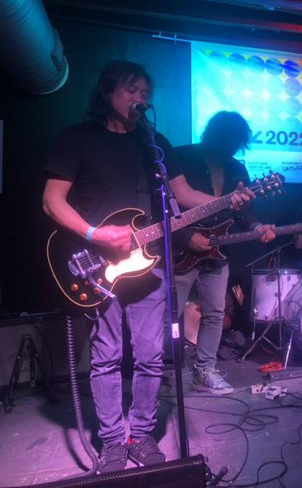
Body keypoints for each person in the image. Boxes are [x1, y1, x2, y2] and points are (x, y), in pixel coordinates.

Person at [42, 61, 254, 474]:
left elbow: (184, 195)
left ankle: (140, 436)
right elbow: (51, 201)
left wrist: (229, 200)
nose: (140, 98)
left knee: (151, 356)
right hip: (97, 265)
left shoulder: (155, 144)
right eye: (131, 90)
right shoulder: (77, 139)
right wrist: (95, 234)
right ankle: (111, 442)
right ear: (107, 92)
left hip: (150, 263)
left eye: (145, 92)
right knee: (106, 357)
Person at [172, 111, 275, 395]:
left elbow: (244, 212)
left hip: (218, 251)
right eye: (228, 139)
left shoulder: (237, 168)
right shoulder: (182, 157)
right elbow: (166, 206)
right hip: (181, 250)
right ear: (214, 134)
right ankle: (164, 371)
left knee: (215, 313)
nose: (232, 147)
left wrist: (256, 226)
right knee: (171, 314)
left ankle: (204, 371)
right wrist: (186, 236)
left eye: (237, 142)